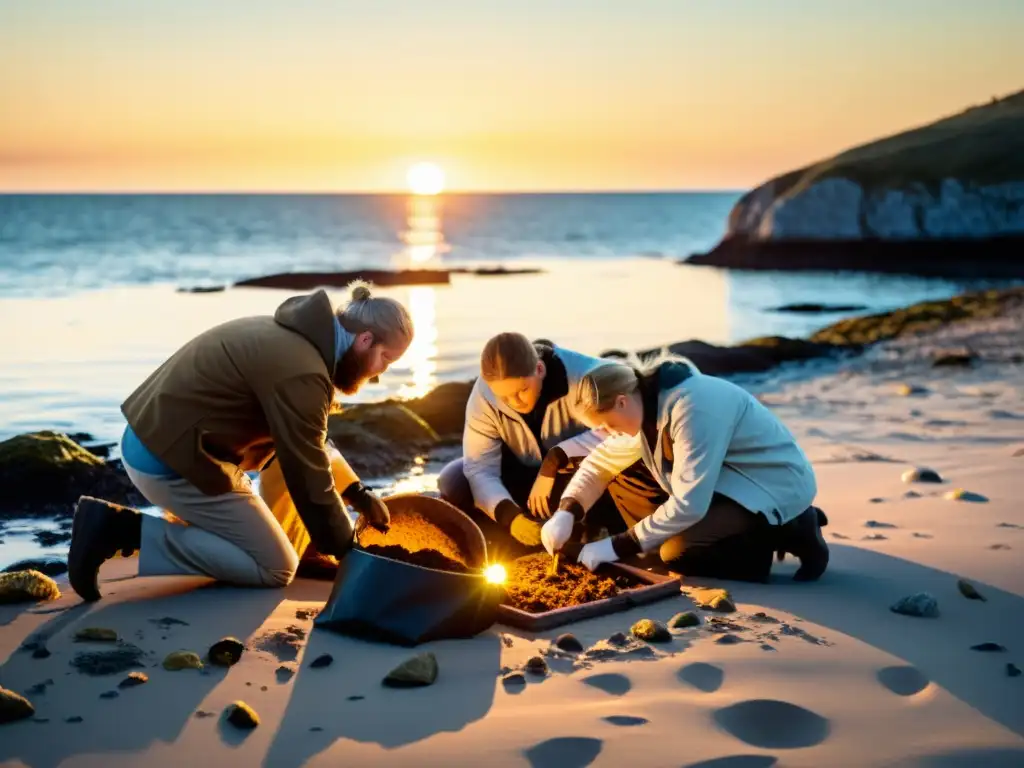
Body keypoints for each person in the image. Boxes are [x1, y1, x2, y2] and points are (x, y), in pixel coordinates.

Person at [67, 282, 414, 601]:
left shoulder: (297, 339)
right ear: (365, 340)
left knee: (292, 472)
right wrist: (351, 553)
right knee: (276, 568)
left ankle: (289, 545)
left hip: (154, 439)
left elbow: (311, 441)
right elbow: (307, 473)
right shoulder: (303, 370)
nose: (380, 373)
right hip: (170, 461)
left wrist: (356, 492)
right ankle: (121, 531)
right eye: (386, 358)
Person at [540, 354, 828, 583]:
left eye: (606, 425)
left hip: (771, 485)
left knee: (678, 554)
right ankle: (762, 528)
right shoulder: (644, 403)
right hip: (723, 481)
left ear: (621, 401)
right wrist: (567, 512)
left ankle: (795, 527)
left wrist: (613, 547)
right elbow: (600, 464)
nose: (606, 433)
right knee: (653, 536)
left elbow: (690, 504)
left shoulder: (692, 409)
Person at [438, 332, 665, 553]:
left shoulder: (587, 375)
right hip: (523, 476)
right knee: (455, 480)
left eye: (522, 390)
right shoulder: (484, 393)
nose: (514, 402)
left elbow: (625, 429)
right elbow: (479, 468)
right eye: (504, 397)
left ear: (539, 368)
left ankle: (594, 531)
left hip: (581, 474)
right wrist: (510, 517)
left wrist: (555, 459)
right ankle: (511, 542)